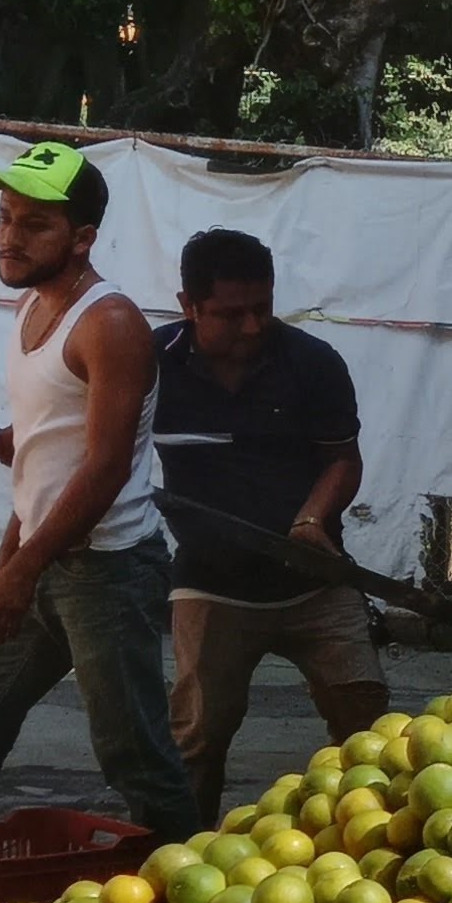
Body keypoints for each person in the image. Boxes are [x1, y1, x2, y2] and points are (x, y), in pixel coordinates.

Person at [0, 140, 199, 838]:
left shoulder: (110, 324)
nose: (9, 236)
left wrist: (21, 569)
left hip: (108, 572)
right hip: (45, 559)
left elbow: (104, 468)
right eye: (6, 217)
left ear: (83, 238)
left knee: (134, 755)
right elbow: (42, 466)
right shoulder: (31, 308)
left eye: (34, 225)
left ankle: (190, 885)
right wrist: (13, 562)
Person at [153, 226, 392, 821]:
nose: (253, 327)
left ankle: (367, 848)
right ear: (188, 307)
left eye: (262, 308)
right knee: (196, 740)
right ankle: (179, 857)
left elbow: (343, 458)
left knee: (369, 733)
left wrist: (311, 519)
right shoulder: (149, 365)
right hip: (211, 584)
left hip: (315, 581)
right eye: (231, 315)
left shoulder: (312, 363)